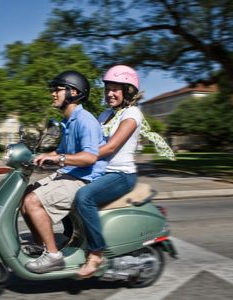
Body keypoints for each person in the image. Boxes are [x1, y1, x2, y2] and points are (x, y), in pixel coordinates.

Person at [21, 70, 107, 274]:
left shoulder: (85, 120)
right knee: (25, 195)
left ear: (74, 92)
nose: (53, 93)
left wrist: (58, 159)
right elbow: (62, 152)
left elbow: (89, 157)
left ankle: (53, 256)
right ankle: (42, 245)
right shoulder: (68, 121)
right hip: (72, 173)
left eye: (57, 89)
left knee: (33, 201)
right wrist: (39, 157)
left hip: (86, 178)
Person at [74, 65, 144, 278]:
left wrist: (82, 157)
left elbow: (111, 147)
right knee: (63, 187)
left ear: (128, 91)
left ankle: (96, 253)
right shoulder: (105, 114)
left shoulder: (132, 114)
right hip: (101, 171)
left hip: (121, 175)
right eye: (107, 89)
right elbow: (90, 141)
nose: (110, 93)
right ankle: (74, 241)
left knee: (84, 197)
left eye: (115, 89)